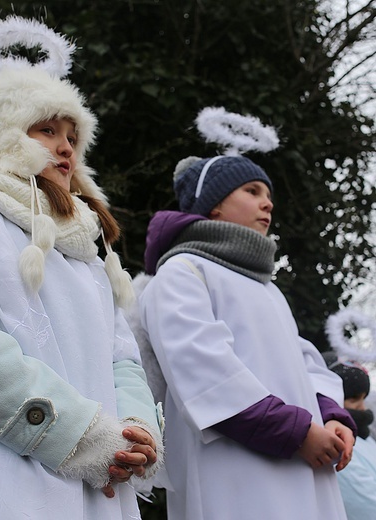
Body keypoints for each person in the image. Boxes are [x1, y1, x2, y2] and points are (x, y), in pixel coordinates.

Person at [0, 17, 163, 520]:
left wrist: (136, 431)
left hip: (98, 476)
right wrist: (77, 433)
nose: (66, 147)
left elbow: (123, 358)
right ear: (2, 136)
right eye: (47, 129)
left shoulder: (87, 248)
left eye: (73, 135)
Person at [137, 124, 356, 520]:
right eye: (252, 192)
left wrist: (332, 417)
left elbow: (305, 362)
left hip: (304, 460)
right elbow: (203, 371)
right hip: (235, 471)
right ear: (213, 205)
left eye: (269, 195)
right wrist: (297, 432)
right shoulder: (181, 272)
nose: (267, 204)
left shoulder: (267, 288)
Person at [324, 353, 376, 520]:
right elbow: (366, 505)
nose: (362, 408)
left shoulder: (365, 436)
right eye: (353, 399)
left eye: (364, 398)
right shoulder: (339, 442)